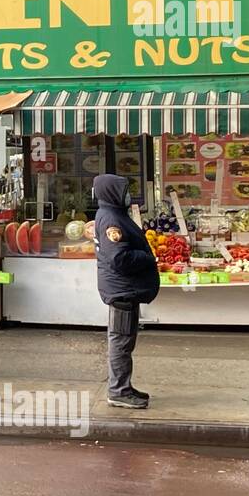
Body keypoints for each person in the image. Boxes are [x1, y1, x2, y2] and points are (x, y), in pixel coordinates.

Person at [93, 173, 158, 408]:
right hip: (122, 291)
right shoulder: (112, 220)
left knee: (124, 340)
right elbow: (119, 257)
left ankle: (123, 386)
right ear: (113, 193)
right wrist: (148, 258)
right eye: (124, 191)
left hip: (124, 288)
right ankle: (118, 390)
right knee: (121, 341)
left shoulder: (114, 214)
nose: (128, 195)